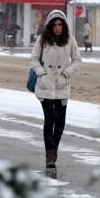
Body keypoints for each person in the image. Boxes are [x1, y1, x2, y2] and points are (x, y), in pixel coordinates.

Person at [29, 10, 81, 168]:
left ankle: (54, 148)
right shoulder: (43, 40)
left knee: (61, 122)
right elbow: (33, 59)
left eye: (60, 24)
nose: (57, 28)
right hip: (46, 86)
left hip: (62, 86)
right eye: (55, 25)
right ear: (50, 26)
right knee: (50, 119)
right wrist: (42, 74)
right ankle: (49, 153)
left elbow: (77, 60)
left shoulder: (70, 40)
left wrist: (67, 73)